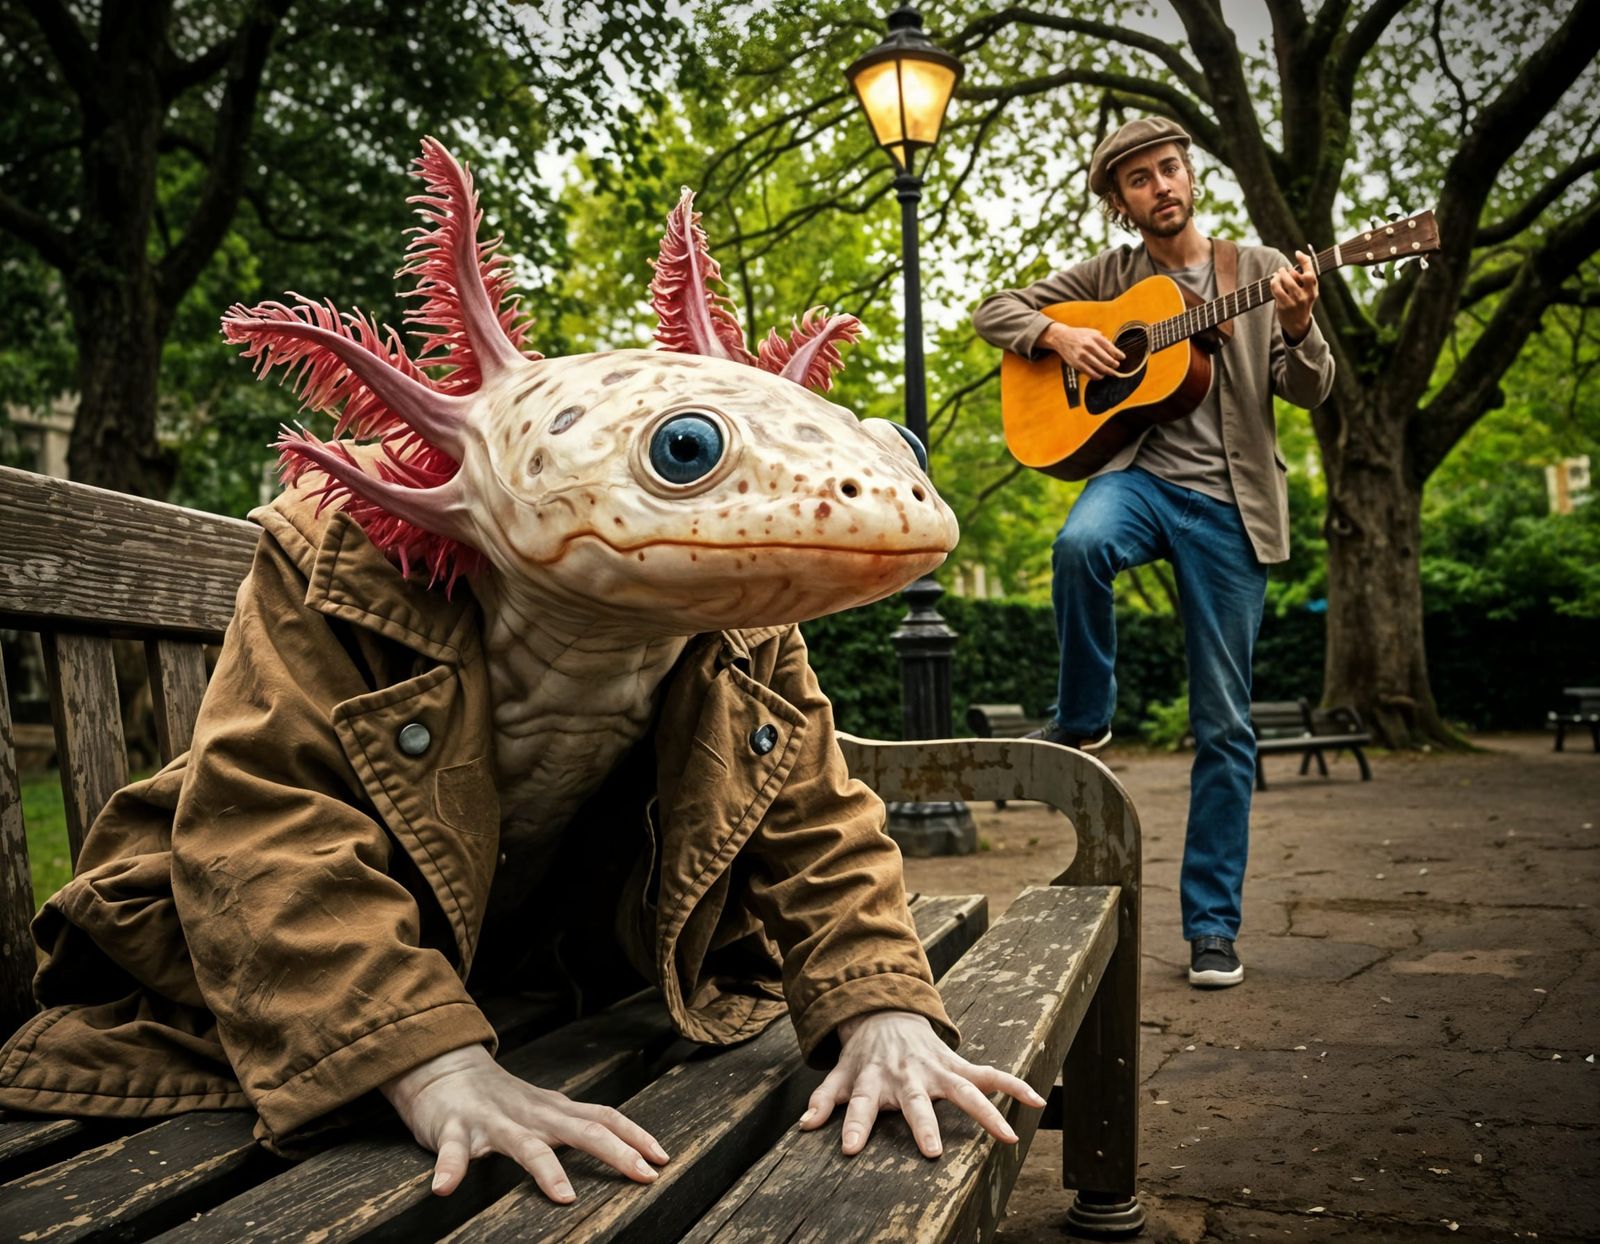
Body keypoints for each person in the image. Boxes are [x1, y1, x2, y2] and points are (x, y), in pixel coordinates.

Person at [0, 142, 1045, 1204]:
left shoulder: (727, 598)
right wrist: (435, 1062)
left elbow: (816, 816)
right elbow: (264, 829)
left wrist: (883, 1011)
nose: (842, 498)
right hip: (268, 967)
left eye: (882, 447)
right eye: (686, 453)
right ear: (484, 463)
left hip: (549, 958)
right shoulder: (338, 556)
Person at [971, 117, 1335, 989]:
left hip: (1229, 510)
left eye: (1169, 169)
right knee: (1079, 543)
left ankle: (1212, 926)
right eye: (1138, 180)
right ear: (1120, 203)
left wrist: (1300, 326)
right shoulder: (1111, 279)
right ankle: (1086, 711)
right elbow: (996, 311)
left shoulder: (1256, 268)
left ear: (1191, 176)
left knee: (1225, 725)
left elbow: (1311, 388)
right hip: (1139, 481)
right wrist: (1058, 337)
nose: (1160, 186)